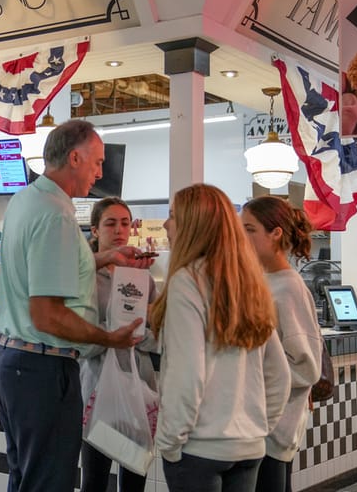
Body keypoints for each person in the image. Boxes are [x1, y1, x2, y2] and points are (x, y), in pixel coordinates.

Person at [0, 119, 152, 492]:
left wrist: (106, 258)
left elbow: (46, 269)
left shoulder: (28, 199)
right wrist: (109, 338)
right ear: (75, 158)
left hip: (14, 361)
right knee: (49, 482)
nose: (99, 172)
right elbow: (48, 315)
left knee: (28, 477)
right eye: (96, 162)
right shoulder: (55, 215)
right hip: (42, 366)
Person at [148, 184, 290, 492]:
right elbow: (280, 374)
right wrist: (258, 426)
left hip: (200, 450)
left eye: (172, 215)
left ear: (192, 225)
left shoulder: (188, 281)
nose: (165, 224)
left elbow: (188, 375)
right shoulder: (249, 283)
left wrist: (171, 442)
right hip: (248, 449)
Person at [241, 196, 323, 492]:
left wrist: (255, 378)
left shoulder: (288, 287)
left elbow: (307, 366)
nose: (242, 238)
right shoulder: (261, 281)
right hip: (258, 424)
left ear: (275, 233)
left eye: (249, 229)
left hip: (274, 429)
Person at [80, 197, 160, 492]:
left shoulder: (142, 277)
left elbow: (157, 333)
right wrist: (112, 334)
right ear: (95, 230)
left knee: (135, 477)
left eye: (125, 223)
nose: (119, 230)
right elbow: (82, 342)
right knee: (94, 479)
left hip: (139, 386)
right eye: (110, 223)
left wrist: (139, 338)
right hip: (97, 386)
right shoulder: (85, 276)